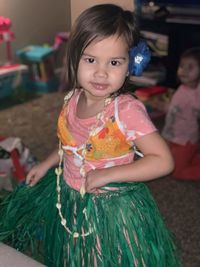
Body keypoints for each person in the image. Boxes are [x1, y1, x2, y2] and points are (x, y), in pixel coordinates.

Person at [0, 4, 181, 267]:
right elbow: (70, 143)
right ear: (74, 59)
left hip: (110, 208)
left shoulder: (126, 111)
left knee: (104, 257)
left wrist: (108, 174)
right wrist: (47, 163)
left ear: (130, 65)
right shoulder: (73, 98)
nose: (101, 72)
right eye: (90, 59)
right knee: (76, 253)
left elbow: (163, 160)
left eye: (114, 62)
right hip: (72, 195)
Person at [162, 47, 200, 181]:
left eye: (190, 67)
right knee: (169, 161)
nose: (183, 70)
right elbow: (177, 110)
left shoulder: (196, 93)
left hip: (186, 140)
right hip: (173, 136)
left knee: (176, 172)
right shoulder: (182, 88)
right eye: (182, 66)